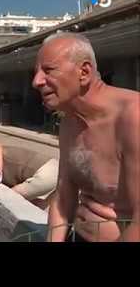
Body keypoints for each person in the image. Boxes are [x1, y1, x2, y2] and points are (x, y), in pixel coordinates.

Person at [32, 32, 139, 242]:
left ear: (84, 72)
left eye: (48, 70)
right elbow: (64, 196)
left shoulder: (133, 117)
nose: (36, 81)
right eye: (36, 72)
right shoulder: (69, 123)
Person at [0, 143, 58, 209]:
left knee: (4, 199)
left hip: (44, 172)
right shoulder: (5, 175)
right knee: (32, 205)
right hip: (56, 168)